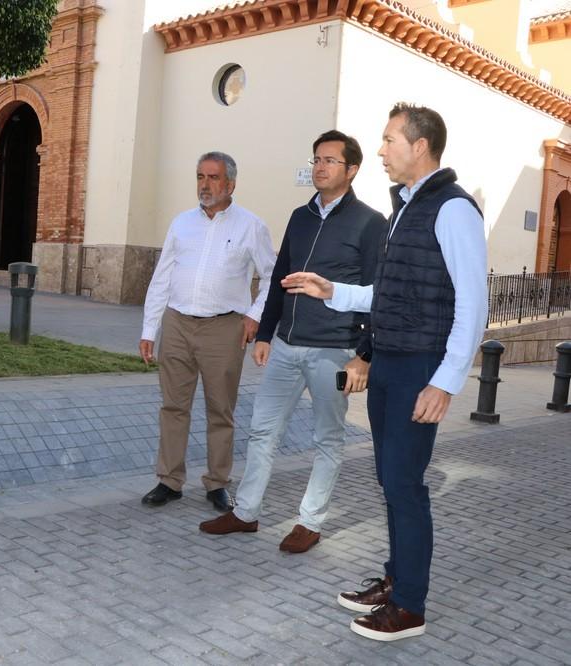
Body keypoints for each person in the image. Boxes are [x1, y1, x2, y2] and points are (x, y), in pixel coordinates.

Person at [282, 103, 488, 641]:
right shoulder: (404, 208)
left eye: (389, 139)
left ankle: (410, 606)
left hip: (420, 367)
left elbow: (473, 302)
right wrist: (334, 291)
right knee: (390, 482)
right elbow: (389, 294)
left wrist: (445, 382)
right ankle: (397, 581)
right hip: (391, 363)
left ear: (420, 146)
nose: (381, 149)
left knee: (405, 485)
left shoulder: (453, 209)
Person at [199, 131, 386, 553]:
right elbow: (280, 277)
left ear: (352, 170)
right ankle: (245, 513)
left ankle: (310, 521)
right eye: (317, 159)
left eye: (330, 161)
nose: (320, 167)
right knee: (262, 431)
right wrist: (265, 333)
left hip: (333, 349)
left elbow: (379, 291)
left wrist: (365, 355)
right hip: (285, 344)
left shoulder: (372, 223)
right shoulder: (300, 217)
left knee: (327, 438)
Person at [139, 151, 275, 513]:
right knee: (173, 407)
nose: (205, 184)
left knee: (220, 410)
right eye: (200, 176)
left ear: (231, 183)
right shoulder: (181, 224)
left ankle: (217, 483)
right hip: (179, 324)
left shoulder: (251, 226)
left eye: (213, 177)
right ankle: (169, 480)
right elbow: (162, 277)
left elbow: (271, 276)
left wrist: (255, 316)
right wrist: (150, 329)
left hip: (224, 328)